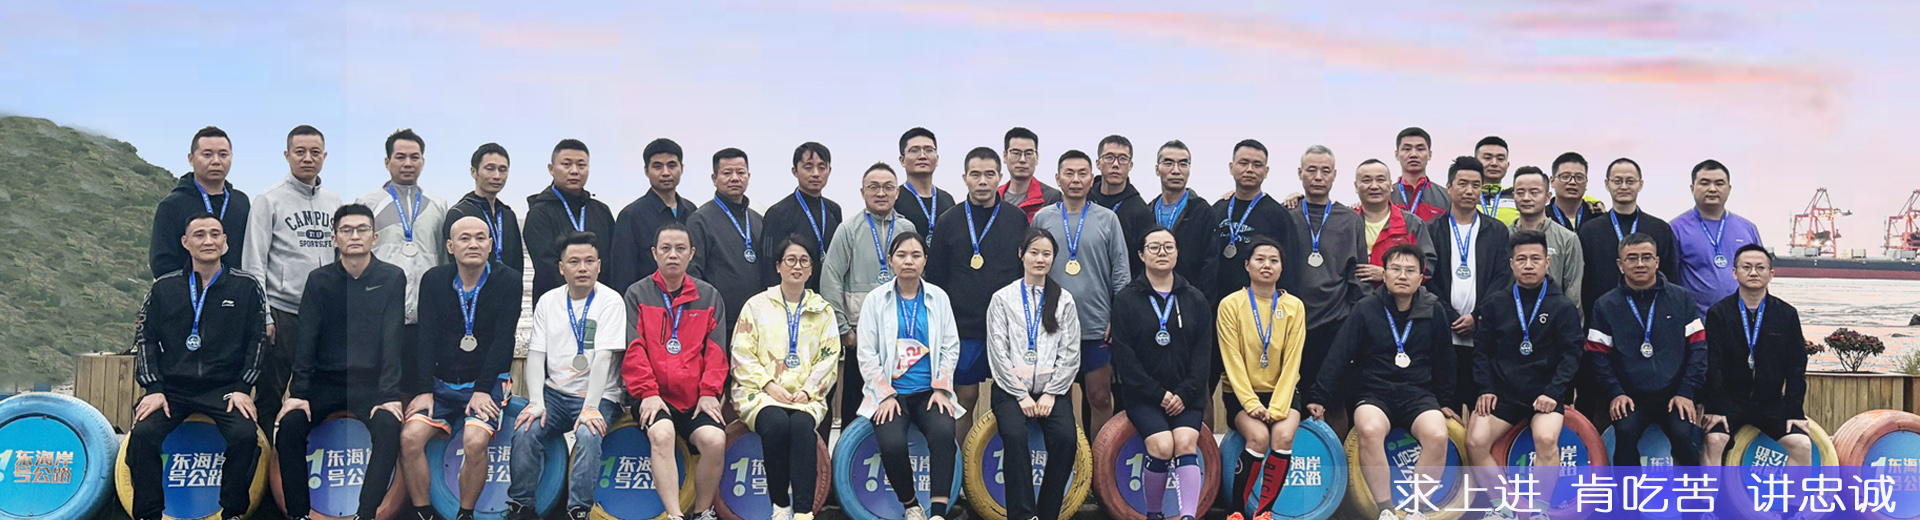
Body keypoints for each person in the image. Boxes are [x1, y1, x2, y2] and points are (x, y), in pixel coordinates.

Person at [130, 213, 267, 520]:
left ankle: (232, 512)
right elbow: (145, 338)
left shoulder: (246, 286)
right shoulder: (164, 287)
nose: (208, 241)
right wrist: (153, 388)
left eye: (215, 234)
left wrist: (243, 387)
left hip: (225, 389)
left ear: (225, 241)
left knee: (245, 436)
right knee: (143, 435)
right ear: (185, 242)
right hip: (173, 389)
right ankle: (148, 514)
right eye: (200, 235)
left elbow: (258, 340)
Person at [1305, 244, 1458, 520]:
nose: (1403, 275)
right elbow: (1339, 355)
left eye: (1410, 270)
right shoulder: (1366, 309)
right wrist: (1319, 396)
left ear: (1421, 277)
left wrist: (1445, 401)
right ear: (1384, 274)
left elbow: (1445, 360)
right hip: (1375, 393)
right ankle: (1385, 509)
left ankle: (1416, 509)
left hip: (1418, 394)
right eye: (1395, 269)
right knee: (1369, 428)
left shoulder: (1434, 309)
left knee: (1437, 434)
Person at [275, 203, 406, 520]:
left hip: (370, 384)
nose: (355, 236)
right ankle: (299, 514)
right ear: (335, 239)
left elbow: (392, 339)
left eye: (362, 229)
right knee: (289, 427)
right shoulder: (319, 280)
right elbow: (306, 339)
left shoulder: (392, 277)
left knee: (389, 426)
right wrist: (298, 394)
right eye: (346, 230)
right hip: (324, 383)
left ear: (374, 237)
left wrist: (389, 395)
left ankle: (365, 513)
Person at [398, 216, 523, 520]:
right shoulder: (434, 280)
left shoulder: (508, 280)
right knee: (409, 438)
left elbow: (503, 341)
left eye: (481, 238)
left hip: (486, 383)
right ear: (450, 246)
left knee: (475, 440)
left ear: (490, 245)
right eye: (464, 238)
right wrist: (424, 390)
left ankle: (465, 514)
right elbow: (425, 337)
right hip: (441, 383)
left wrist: (482, 390)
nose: (473, 244)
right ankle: (423, 512)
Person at [507, 232, 628, 520]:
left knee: (588, 433)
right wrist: (536, 401)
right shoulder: (548, 301)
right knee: (525, 429)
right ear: (562, 268)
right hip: (556, 394)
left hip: (600, 395)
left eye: (589, 261)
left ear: (599, 265)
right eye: (574, 262)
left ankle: (578, 509)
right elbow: (536, 355)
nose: (582, 268)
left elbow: (604, 358)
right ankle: (522, 505)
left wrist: (591, 407)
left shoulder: (611, 301)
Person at [1464, 230, 1581, 518]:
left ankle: (1539, 511)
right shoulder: (1495, 304)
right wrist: (1486, 389)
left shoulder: (1562, 306)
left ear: (1547, 262)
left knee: (1546, 439)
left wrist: (1553, 392)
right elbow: (1481, 352)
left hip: (1545, 394)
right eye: (1522, 259)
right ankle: (1505, 508)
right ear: (1512, 264)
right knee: (1475, 441)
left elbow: (1572, 355)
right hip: (1503, 394)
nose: (1529, 265)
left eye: (1535, 259)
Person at [730, 236, 842, 520]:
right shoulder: (756, 305)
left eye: (804, 261)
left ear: (811, 269)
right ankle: (779, 505)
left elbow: (829, 357)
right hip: (760, 393)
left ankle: (803, 511)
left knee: (803, 427)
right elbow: (741, 353)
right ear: (778, 266)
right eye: (790, 260)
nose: (797, 266)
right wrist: (769, 386)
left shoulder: (823, 310)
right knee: (777, 424)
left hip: (806, 396)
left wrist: (808, 391)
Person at [623, 222, 729, 520]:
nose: (673, 255)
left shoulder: (709, 296)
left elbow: (717, 352)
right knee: (662, 433)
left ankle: (702, 511)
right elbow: (633, 349)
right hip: (653, 396)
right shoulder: (637, 294)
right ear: (654, 253)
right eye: (666, 248)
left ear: (691, 254)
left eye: (680, 249)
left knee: (715, 441)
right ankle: (674, 515)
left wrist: (709, 393)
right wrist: (648, 392)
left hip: (695, 399)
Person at [855, 231, 964, 520]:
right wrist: (885, 394)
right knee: (891, 443)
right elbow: (866, 352)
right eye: (902, 255)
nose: (908, 261)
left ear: (925, 261)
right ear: (890, 260)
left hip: (930, 391)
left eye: (916, 255)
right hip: (891, 393)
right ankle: (911, 505)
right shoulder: (876, 300)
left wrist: (941, 389)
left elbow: (950, 346)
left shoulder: (938, 298)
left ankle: (938, 511)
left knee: (944, 433)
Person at [244, 124, 342, 435]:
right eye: (300, 152)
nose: (307, 158)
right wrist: (264, 315)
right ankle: (264, 459)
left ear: (325, 156)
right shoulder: (268, 200)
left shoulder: (335, 202)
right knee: (269, 396)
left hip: (322, 314)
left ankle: (304, 458)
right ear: (287, 155)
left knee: (316, 394)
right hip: (281, 311)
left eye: (315, 152)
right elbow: (254, 261)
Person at [1113, 227, 1215, 520]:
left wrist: (1183, 393)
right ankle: (1154, 514)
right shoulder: (1126, 299)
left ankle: (1188, 516)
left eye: (1168, 247)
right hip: (1144, 396)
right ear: (1141, 254)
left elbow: (1202, 355)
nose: (1162, 253)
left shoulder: (1195, 299)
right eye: (1154, 247)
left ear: (1177, 253)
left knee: (1185, 443)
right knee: (1161, 445)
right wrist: (1159, 395)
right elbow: (1125, 359)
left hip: (1187, 396)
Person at [926, 148, 1026, 445]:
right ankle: (959, 466)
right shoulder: (948, 220)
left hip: (1007, 329)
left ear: (1000, 177)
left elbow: (1025, 272)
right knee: (964, 399)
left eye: (989, 174)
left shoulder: (1017, 219)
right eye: (976, 174)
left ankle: (997, 468)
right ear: (965, 178)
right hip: (964, 329)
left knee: (1009, 401)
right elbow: (935, 279)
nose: (983, 181)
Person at [1585, 233, 1706, 466]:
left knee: (1683, 435)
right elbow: (1598, 357)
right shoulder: (1606, 304)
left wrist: (1686, 391)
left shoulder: (1681, 298)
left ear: (1657, 262)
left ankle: (1696, 489)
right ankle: (1627, 490)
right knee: (1625, 432)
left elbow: (1698, 349)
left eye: (1646, 257)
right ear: (1620, 264)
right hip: (1630, 396)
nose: (1640, 264)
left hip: (1674, 394)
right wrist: (1615, 392)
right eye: (1632, 258)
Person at [985, 228, 1082, 520]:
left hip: (1053, 391)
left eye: (1046, 254)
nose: (1040, 259)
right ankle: (1024, 515)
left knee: (1065, 440)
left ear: (1053, 258)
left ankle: (1048, 512)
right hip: (1010, 391)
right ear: (1021, 255)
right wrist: (1020, 395)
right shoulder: (1002, 298)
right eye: (1034, 252)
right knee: (1015, 437)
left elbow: (1070, 352)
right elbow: (998, 352)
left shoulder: (1064, 300)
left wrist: (1052, 393)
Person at [1032, 150, 1130, 438]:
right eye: (1069, 173)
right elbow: (1031, 268)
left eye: (1082, 173)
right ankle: (1063, 460)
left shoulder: (1108, 219)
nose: (1075, 179)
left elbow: (1121, 272)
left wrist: (1118, 316)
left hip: (1095, 324)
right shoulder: (1043, 218)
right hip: (1051, 325)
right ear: (1058, 178)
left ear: (1091, 179)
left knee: (1099, 397)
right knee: (1052, 399)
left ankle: (1100, 461)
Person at [1215, 237, 1305, 518]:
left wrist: (1277, 408)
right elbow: (1231, 360)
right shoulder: (1230, 305)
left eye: (1274, 260)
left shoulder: (1294, 306)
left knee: (1284, 436)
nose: (1267, 265)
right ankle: (1237, 512)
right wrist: (1251, 403)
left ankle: (1264, 513)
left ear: (1281, 268)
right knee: (1257, 437)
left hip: (1282, 393)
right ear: (1247, 265)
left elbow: (1293, 362)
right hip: (1241, 393)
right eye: (1260, 259)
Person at [823, 163, 917, 430]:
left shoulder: (907, 229)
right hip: (859, 335)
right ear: (862, 192)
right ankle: (850, 454)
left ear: (897, 193)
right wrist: (843, 329)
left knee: (898, 404)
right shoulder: (848, 229)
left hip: (900, 334)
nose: (881, 193)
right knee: (856, 406)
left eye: (888, 187)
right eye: (874, 187)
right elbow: (831, 278)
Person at [355, 129, 450, 393]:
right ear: (387, 162)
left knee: (419, 386)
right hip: (380, 312)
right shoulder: (367, 203)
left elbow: (445, 260)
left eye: (414, 157)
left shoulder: (438, 206)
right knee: (380, 385)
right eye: (400, 157)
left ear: (423, 161)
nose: (408, 163)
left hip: (425, 313)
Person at [1702, 244, 1813, 466]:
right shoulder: (1719, 313)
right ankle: (1709, 491)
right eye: (1747, 267)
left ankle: (1791, 491)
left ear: (1771, 274)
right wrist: (1715, 407)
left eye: (1760, 267)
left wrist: (1794, 410)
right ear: (1735, 273)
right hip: (1730, 402)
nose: (1753, 272)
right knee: (1714, 440)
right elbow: (1713, 364)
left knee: (1802, 445)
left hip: (1770, 403)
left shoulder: (1786, 314)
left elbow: (1796, 366)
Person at [1287, 145, 1368, 432]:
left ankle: (1340, 461)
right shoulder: (1287, 216)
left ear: (1334, 175)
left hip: (1336, 324)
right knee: (1293, 402)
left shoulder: (1350, 220)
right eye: (1311, 170)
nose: (1318, 176)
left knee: (1334, 403)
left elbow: (1358, 276)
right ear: (1300, 173)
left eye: (1325, 171)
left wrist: (1356, 325)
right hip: (1291, 324)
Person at [1425, 157, 1512, 409]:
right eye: (1462, 183)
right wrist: (1449, 315)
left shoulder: (1496, 231)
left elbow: (1502, 278)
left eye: (1476, 185)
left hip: (1483, 336)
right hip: (1444, 333)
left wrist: (1477, 316)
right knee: (1445, 408)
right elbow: (1427, 278)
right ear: (1449, 187)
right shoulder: (1432, 229)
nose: (1469, 190)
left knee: (1483, 408)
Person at [1576, 157, 1680, 316]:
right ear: (1607, 184)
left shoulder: (1660, 229)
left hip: (1652, 314)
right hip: (1603, 315)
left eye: (1630, 181)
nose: (1624, 186)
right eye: (1617, 181)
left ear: (1640, 184)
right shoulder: (1589, 231)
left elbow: (1671, 276)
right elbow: (1584, 281)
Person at [1200, 140, 1295, 302]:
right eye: (1243, 163)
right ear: (1231, 167)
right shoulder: (1217, 209)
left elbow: (1289, 269)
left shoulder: (1279, 216)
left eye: (1257, 165)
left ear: (1266, 171)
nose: (1250, 169)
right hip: (1216, 303)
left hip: (1260, 305)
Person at [152, 126, 251, 278]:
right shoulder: (172, 205)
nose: (216, 161)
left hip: (236, 291)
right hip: (187, 290)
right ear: (191, 159)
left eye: (223, 154)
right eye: (207, 155)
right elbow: (162, 262)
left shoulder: (241, 203)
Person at [687, 148, 765, 337]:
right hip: (719, 321)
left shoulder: (758, 220)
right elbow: (692, 273)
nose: (735, 178)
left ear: (748, 176)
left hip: (758, 318)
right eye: (727, 173)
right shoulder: (699, 220)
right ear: (714, 178)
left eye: (740, 172)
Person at [525, 139, 615, 301]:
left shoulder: (601, 211)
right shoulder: (539, 212)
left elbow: (610, 261)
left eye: (581, 165)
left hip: (599, 301)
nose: (574, 171)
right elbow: (546, 266)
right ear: (551, 169)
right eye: (566, 165)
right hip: (555, 302)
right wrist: (579, 293)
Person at [1671, 160, 1763, 316]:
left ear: (1729, 189)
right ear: (1692, 188)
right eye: (1705, 183)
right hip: (1698, 322)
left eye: (1719, 183)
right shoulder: (1676, 229)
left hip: (1743, 321)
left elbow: (1761, 275)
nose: (1712, 189)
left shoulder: (1747, 229)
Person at [609, 138, 695, 291]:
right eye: (657, 166)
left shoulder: (692, 211)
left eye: (672, 165)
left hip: (691, 299)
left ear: (681, 168)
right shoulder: (631, 216)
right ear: (646, 171)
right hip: (648, 300)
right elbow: (623, 273)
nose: (665, 173)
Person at [759, 142, 843, 290]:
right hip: (792, 295)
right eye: (808, 167)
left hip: (827, 294)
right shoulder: (777, 213)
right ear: (795, 171)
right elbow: (768, 265)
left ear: (829, 171)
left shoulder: (833, 210)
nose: (816, 173)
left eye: (822, 167)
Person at [1507, 166, 1584, 313]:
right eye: (1520, 192)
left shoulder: (1567, 239)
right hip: (1510, 318)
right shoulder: (1503, 236)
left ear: (1548, 197)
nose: (1526, 198)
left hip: (1554, 320)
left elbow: (1573, 292)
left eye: (1534, 192)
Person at [444, 143, 525, 274]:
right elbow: (453, 263)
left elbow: (517, 261)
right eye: (490, 169)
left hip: (508, 283)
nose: (497, 176)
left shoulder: (507, 214)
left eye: (503, 170)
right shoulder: (459, 213)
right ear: (474, 172)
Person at [1353, 158, 1437, 279]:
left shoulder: (1412, 224)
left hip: (1398, 291)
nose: (1374, 186)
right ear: (1356, 187)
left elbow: (1426, 265)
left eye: (1380, 180)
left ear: (1391, 186)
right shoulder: (1346, 222)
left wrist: (1388, 275)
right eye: (1367, 181)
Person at [1091, 134, 1158, 278]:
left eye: (1123, 159)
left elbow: (1144, 261)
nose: (1115, 164)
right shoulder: (1085, 199)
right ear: (1098, 163)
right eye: (1109, 157)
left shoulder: (1140, 211)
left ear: (1130, 165)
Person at [1148, 140, 1213, 284]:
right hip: (1151, 292)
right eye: (1168, 163)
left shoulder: (1202, 212)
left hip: (1191, 293)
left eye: (1183, 164)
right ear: (1157, 169)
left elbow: (1210, 264)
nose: (1176, 171)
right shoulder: (1147, 212)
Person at [897, 127, 955, 241]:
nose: (922, 156)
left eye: (929, 150)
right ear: (902, 160)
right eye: (914, 150)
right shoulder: (895, 198)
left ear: (937, 159)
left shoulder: (947, 200)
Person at [997, 127, 1062, 220]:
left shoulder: (1052, 198)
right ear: (1005, 156)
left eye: (1028, 153)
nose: (1022, 160)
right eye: (1016, 153)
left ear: (1037, 158)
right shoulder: (994, 197)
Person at [1387, 127, 1447, 222]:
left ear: (1429, 154)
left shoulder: (1446, 197)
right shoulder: (1386, 197)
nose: (1413, 154)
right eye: (1407, 149)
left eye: (1420, 149)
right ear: (1397, 154)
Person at [1546, 152, 1606, 232]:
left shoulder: (1600, 218)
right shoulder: (1541, 218)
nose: (1572, 182)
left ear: (1586, 182)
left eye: (1579, 177)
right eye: (1565, 176)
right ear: (1552, 181)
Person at [1473, 137, 1520, 225]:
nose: (1494, 163)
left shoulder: (1518, 197)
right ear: (1475, 162)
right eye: (1487, 158)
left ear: (1507, 165)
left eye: (1500, 159)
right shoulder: (1464, 196)